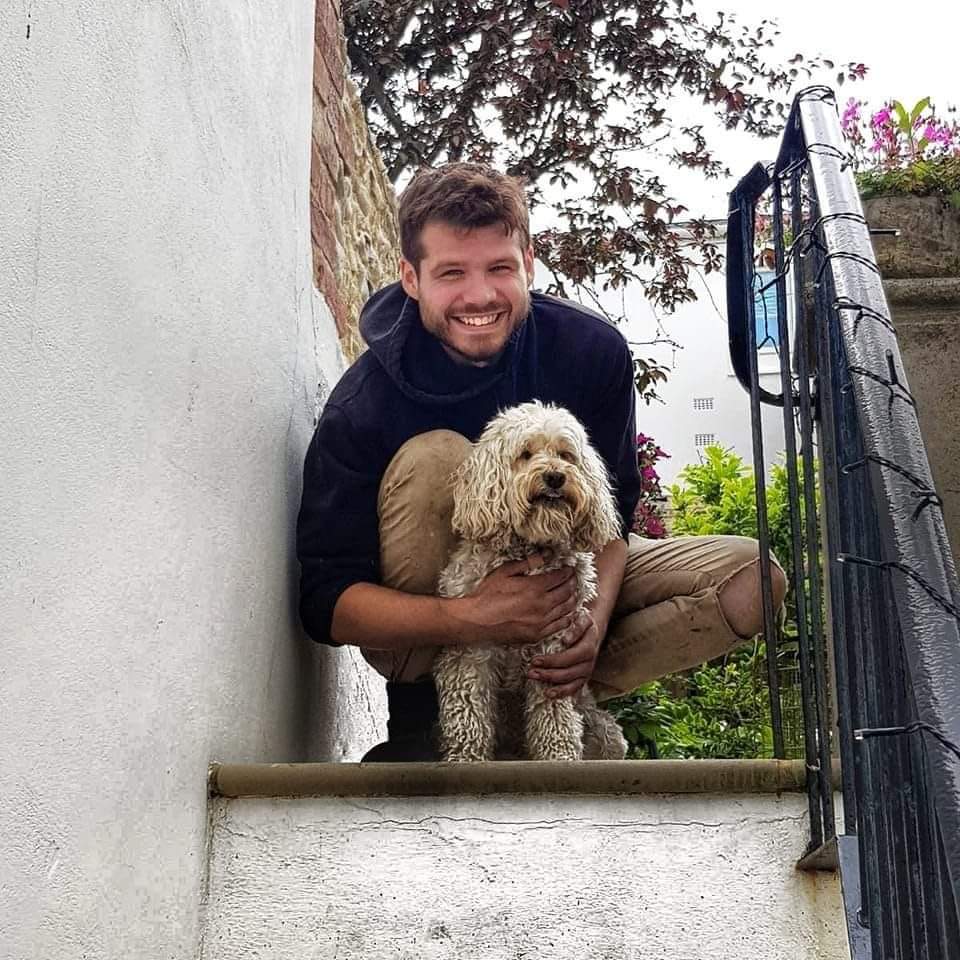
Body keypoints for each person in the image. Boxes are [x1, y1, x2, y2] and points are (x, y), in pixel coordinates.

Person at [296, 162, 787, 761]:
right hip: (434, 632)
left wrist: (593, 623)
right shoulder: (363, 403)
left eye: (499, 268)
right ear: (411, 277)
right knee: (440, 456)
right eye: (452, 272)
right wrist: (473, 618)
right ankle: (437, 720)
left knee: (750, 579)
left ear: (528, 264)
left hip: (566, 589)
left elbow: (614, 517)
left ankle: (559, 695)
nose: (479, 296)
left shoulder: (590, 352)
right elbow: (326, 602)